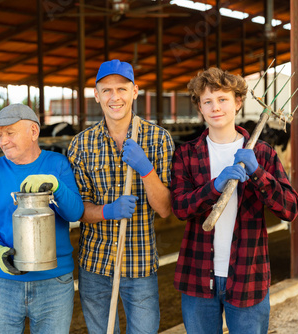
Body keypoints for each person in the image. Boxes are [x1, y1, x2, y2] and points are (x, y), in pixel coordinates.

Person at [171, 67, 298, 334]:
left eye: (222, 99)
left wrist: (258, 173)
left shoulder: (262, 153)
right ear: (200, 107)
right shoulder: (187, 153)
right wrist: (214, 187)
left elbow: (290, 208)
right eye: (207, 101)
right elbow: (180, 208)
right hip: (197, 277)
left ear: (238, 102)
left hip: (247, 275)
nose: (215, 107)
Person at [67, 59, 174, 333]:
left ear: (135, 91)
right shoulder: (81, 145)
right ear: (96, 95)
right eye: (107, 90)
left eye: (122, 89)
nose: (115, 97)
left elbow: (164, 209)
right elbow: (78, 209)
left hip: (139, 264)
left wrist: (146, 170)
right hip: (95, 265)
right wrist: (107, 211)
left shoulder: (158, 139)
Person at [0, 103, 84, 334]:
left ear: (33, 132)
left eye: (10, 133)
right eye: (0, 135)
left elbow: (75, 213)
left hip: (54, 281)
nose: (3, 141)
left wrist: (56, 186)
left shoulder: (57, 164)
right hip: (3, 281)